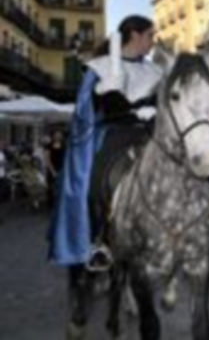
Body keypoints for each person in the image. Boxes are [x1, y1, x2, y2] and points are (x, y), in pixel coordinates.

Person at [49, 15, 160, 268]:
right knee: (94, 182)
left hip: (150, 131)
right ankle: (98, 239)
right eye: (150, 36)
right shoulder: (100, 67)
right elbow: (87, 108)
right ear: (135, 35)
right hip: (114, 133)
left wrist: (155, 109)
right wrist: (123, 106)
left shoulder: (154, 71)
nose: (153, 42)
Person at [46, 130, 66, 209]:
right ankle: (51, 205)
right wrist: (53, 171)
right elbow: (47, 159)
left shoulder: (64, 145)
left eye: (59, 134)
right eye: (56, 134)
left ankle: (60, 204)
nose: (58, 136)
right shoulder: (49, 145)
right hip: (52, 169)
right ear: (53, 136)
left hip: (62, 169)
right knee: (51, 187)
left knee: (61, 187)